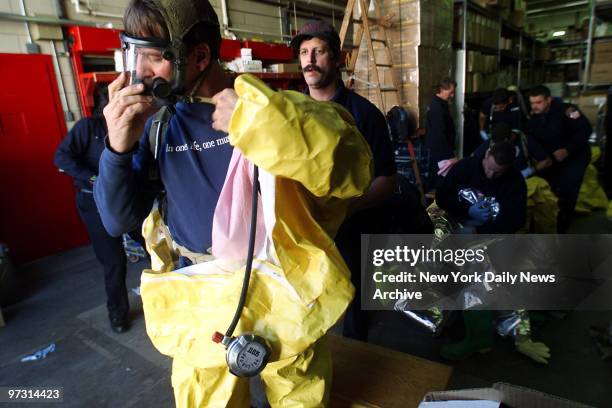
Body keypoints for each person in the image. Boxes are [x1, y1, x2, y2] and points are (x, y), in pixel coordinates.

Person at [93, 0, 372, 406]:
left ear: (200, 55)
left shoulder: (267, 109)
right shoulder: (156, 127)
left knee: (300, 398)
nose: (140, 72)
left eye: (154, 58)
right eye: (135, 54)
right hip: (200, 299)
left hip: (280, 291)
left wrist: (263, 124)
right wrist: (116, 149)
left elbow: (352, 169)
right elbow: (117, 220)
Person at [290, 19, 397, 341]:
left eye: (319, 52)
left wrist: (347, 208)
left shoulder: (364, 115)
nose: (310, 59)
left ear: (337, 59)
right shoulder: (292, 112)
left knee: (354, 308)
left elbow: (388, 180)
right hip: (303, 228)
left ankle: (357, 356)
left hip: (352, 231)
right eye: (305, 52)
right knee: (303, 306)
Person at [54, 88, 144, 334]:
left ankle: (167, 297)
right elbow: (61, 157)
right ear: (104, 104)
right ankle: (118, 314)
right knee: (114, 261)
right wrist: (95, 178)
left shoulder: (135, 126)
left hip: (128, 200)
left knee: (153, 246)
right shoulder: (87, 127)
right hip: (93, 201)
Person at [527, 85, 592, 232]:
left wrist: (568, 150)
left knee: (568, 192)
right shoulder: (534, 117)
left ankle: (563, 227)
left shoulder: (568, 110)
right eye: (532, 103)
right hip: (553, 160)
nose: (535, 106)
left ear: (548, 99)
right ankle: (550, 221)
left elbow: (586, 130)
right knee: (548, 189)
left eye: (538, 102)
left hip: (575, 158)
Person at [436, 140, 527, 234]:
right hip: (457, 224)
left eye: (497, 173)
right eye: (490, 168)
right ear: (487, 154)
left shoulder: (516, 181)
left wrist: (480, 232)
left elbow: (517, 220)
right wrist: (467, 211)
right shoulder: (465, 166)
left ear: (508, 167)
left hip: (492, 234)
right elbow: (441, 197)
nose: (491, 175)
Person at [425, 78, 458, 187]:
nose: (452, 96)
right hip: (441, 152)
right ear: (442, 89)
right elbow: (439, 134)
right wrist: (450, 156)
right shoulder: (437, 107)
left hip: (444, 150)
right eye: (451, 92)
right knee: (443, 181)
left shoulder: (442, 103)